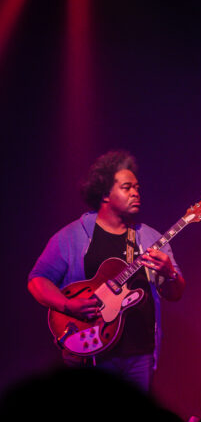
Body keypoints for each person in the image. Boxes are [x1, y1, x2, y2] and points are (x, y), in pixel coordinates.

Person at [28, 150, 185, 390]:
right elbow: (37, 280)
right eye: (126, 187)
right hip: (90, 352)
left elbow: (175, 294)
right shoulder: (72, 236)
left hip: (139, 356)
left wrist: (169, 273)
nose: (135, 192)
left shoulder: (151, 237)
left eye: (137, 187)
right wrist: (67, 305)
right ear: (105, 194)